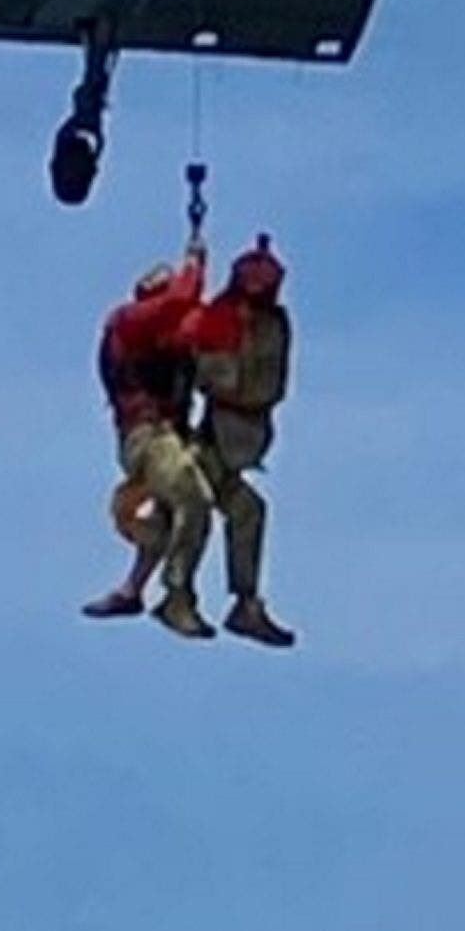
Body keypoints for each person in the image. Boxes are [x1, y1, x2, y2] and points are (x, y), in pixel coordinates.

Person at [80, 241, 241, 640]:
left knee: (173, 513)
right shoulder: (129, 321)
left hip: (171, 435)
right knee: (192, 497)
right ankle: (177, 597)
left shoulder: (173, 338)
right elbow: (181, 299)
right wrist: (195, 264)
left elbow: (220, 330)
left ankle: (133, 588)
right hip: (147, 436)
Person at [193, 235, 298, 648]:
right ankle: (178, 593)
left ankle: (245, 602)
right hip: (211, 436)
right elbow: (212, 377)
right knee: (190, 509)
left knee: (248, 511)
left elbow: (273, 383)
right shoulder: (223, 316)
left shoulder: (274, 324)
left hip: (242, 438)